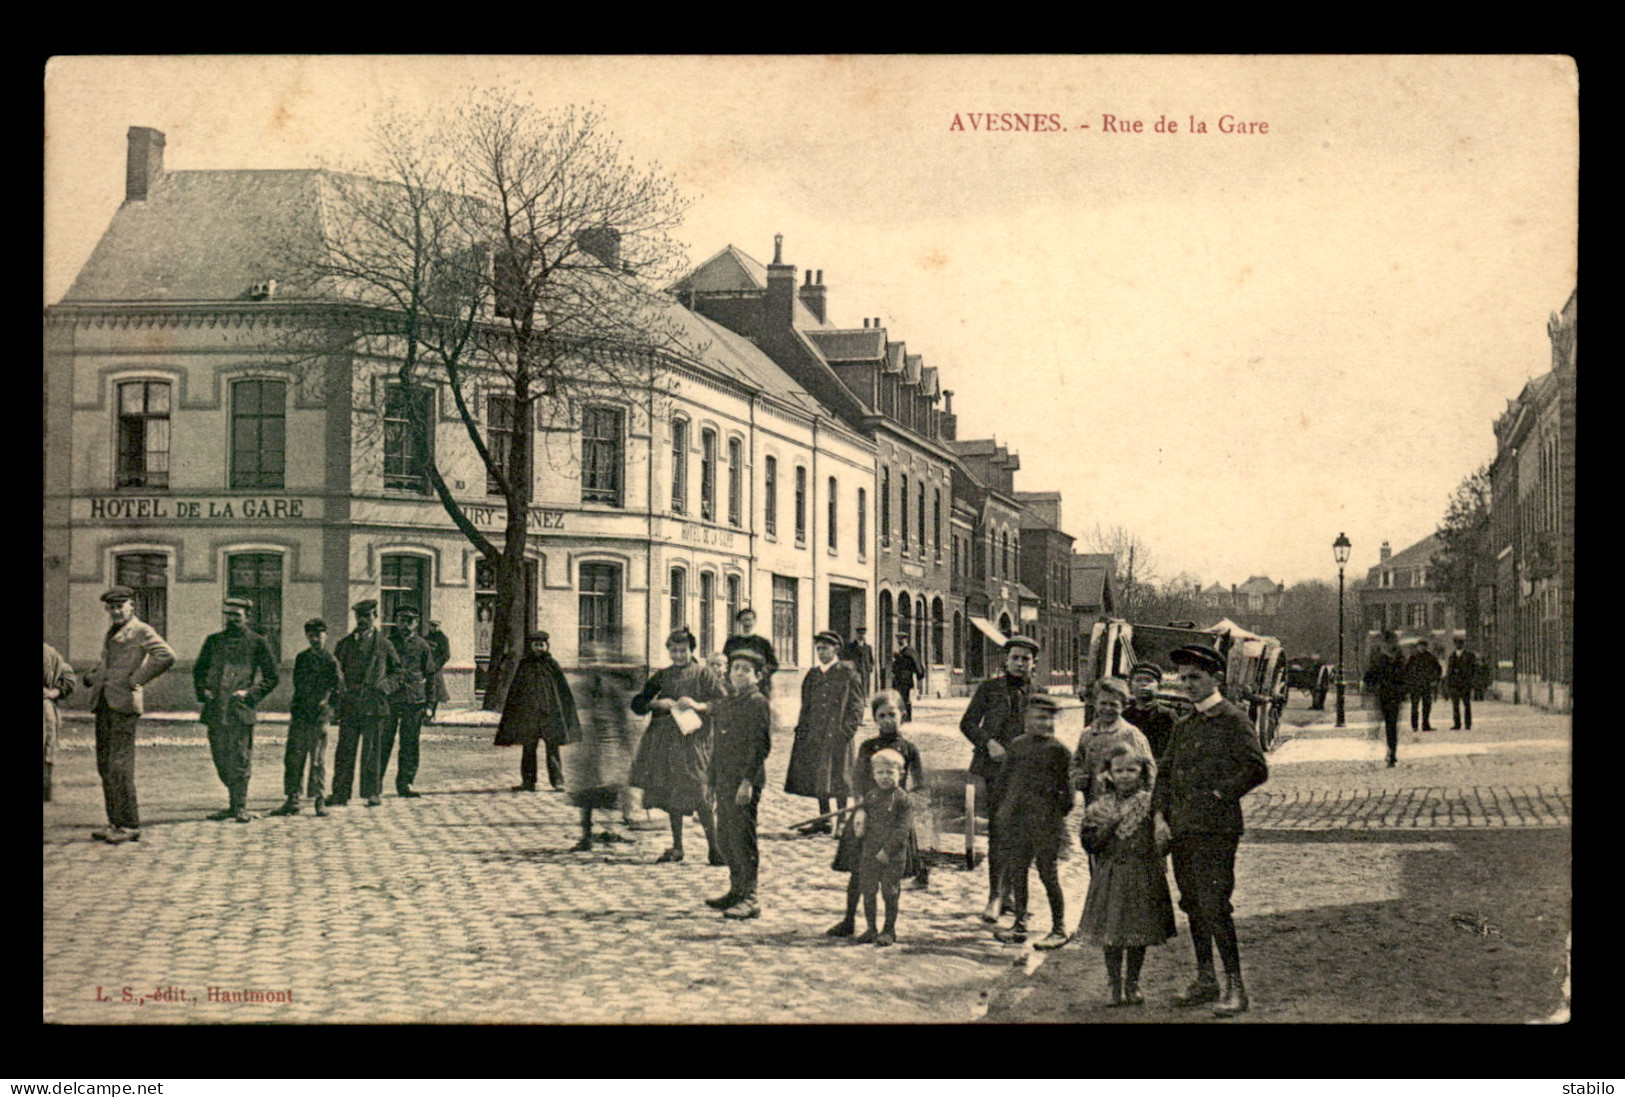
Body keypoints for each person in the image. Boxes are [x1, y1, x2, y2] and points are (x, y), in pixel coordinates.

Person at [1155, 643, 1268, 1017]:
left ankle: (1237, 986)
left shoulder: (1232, 719)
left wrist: (1219, 794)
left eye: (1195, 677)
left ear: (1214, 679)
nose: (1187, 684)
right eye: (1183, 677)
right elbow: (1165, 774)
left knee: (1215, 906)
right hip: (1183, 830)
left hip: (1216, 831)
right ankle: (1206, 979)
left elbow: (1256, 767)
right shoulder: (1184, 725)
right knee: (1192, 906)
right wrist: (1160, 817)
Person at [1077, 742, 1176, 1006]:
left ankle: (1133, 982)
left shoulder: (1149, 804)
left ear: (1141, 773)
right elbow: (1088, 844)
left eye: (1131, 770)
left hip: (1142, 873)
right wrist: (1106, 829)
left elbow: (1161, 842)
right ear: (1108, 773)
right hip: (1111, 874)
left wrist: (1160, 835)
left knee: (1136, 931)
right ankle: (1114, 983)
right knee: (1112, 933)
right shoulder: (1100, 806)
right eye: (1118, 770)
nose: (1124, 776)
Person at [960, 635, 1044, 923]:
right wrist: (988, 743)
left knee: (1022, 834)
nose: (1020, 663)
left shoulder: (1039, 693)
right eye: (1015, 658)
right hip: (995, 771)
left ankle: (1012, 896)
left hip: (1027, 773)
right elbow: (967, 723)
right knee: (999, 832)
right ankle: (994, 897)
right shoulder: (989, 689)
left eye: (1026, 659)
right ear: (1005, 661)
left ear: (1034, 664)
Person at [829, 689, 926, 936]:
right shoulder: (867, 746)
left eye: (892, 714)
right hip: (867, 817)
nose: (886, 720)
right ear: (874, 718)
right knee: (858, 873)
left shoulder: (909, 749)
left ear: (902, 715)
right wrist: (860, 808)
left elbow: (920, 785)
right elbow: (858, 780)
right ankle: (849, 920)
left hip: (894, 819)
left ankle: (887, 928)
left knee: (890, 879)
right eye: (881, 715)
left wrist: (907, 805)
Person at [629, 627, 728, 865]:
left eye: (682, 650)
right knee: (673, 791)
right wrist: (656, 704)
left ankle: (715, 849)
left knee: (699, 792)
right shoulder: (662, 676)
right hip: (667, 742)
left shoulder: (704, 674)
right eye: (673, 650)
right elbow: (638, 704)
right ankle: (677, 847)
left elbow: (724, 702)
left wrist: (698, 705)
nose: (678, 655)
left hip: (696, 741)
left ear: (691, 650)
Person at [85, 586, 175, 843]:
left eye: (119, 606)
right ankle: (114, 822)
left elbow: (166, 656)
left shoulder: (141, 630)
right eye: (111, 607)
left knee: (120, 765)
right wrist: (94, 677)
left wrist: (136, 679)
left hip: (124, 705)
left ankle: (130, 823)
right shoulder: (113, 631)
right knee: (105, 765)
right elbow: (110, 662)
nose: (115, 611)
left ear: (131, 606)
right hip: (104, 703)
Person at [988, 693, 1073, 950]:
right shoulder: (1016, 746)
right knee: (1018, 872)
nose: (1044, 723)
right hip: (1017, 822)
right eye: (1038, 717)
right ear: (1026, 719)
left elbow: (1068, 796)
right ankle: (1019, 925)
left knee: (1049, 875)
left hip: (1046, 824)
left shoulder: (1059, 751)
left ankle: (1059, 928)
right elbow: (1004, 782)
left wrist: (1053, 817)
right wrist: (1004, 810)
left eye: (1049, 718)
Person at [194, 597, 280, 823]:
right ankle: (234, 803)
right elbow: (199, 670)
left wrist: (250, 695)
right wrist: (204, 691)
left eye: (237, 616)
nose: (232, 620)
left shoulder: (257, 642)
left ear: (247, 617)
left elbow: (272, 677)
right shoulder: (213, 641)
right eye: (228, 615)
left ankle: (239, 807)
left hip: (240, 711)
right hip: (215, 710)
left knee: (240, 758)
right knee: (221, 759)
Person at [706, 649, 774, 920]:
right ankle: (736, 889)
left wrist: (747, 782)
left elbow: (760, 746)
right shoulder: (727, 702)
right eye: (736, 668)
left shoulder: (757, 702)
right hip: (724, 777)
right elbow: (718, 744)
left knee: (742, 837)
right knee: (724, 836)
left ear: (757, 676)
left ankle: (750, 897)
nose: (739, 673)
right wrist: (711, 780)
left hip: (745, 780)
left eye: (746, 670)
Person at [829, 748, 914, 946]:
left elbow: (903, 831)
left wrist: (887, 851)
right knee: (868, 890)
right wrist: (859, 823)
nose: (885, 777)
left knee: (889, 892)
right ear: (874, 775)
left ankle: (889, 930)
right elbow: (863, 821)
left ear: (900, 774)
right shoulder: (871, 797)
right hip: (870, 852)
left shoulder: (903, 800)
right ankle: (871, 929)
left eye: (890, 772)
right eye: (880, 773)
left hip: (892, 855)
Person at [784, 629, 865, 833]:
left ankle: (841, 821)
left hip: (838, 735)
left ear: (835, 649)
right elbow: (806, 706)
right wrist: (802, 731)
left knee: (840, 779)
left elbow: (857, 706)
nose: (821, 652)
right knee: (819, 779)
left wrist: (847, 731)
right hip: (816, 735)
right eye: (818, 648)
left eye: (825, 648)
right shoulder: (812, 675)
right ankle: (824, 819)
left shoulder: (847, 673)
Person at [566, 640, 641, 853]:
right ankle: (586, 836)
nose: (593, 664)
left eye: (597, 659)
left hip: (608, 745)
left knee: (611, 789)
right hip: (587, 746)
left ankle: (615, 828)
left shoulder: (612, 688)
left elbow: (622, 720)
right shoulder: (580, 686)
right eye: (588, 659)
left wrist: (627, 746)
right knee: (584, 794)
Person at [330, 599, 403, 808]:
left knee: (372, 752)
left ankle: (372, 793)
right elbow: (334, 673)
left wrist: (384, 687)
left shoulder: (384, 644)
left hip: (374, 705)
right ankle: (340, 793)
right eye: (360, 616)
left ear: (375, 618)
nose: (363, 620)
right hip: (350, 705)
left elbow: (398, 673)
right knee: (345, 750)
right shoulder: (344, 644)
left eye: (368, 616)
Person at [270, 618, 343, 817]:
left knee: (318, 761)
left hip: (319, 717)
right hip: (301, 715)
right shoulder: (302, 658)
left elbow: (338, 688)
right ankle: (292, 799)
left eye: (318, 636)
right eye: (311, 636)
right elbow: (298, 685)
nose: (315, 640)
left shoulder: (331, 660)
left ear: (325, 636)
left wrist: (327, 706)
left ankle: (320, 800)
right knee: (293, 758)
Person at [496, 631, 580, 793]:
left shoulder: (552, 664)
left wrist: (562, 712)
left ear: (546, 646)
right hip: (530, 716)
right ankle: (528, 782)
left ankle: (558, 782)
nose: (539, 648)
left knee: (553, 749)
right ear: (531, 646)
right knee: (528, 749)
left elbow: (562, 690)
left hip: (550, 715)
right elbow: (516, 690)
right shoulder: (524, 664)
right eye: (536, 645)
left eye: (541, 645)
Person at [379, 605, 439, 798]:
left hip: (414, 701)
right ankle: (374, 784)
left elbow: (431, 676)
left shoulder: (423, 646)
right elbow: (379, 672)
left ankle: (405, 783)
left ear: (416, 623)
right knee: (383, 741)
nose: (405, 625)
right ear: (396, 621)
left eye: (410, 621)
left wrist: (430, 706)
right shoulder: (387, 643)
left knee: (410, 744)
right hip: (390, 699)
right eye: (402, 620)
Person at [1071, 677, 1155, 811]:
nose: (1107, 709)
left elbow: (1150, 773)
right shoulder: (1087, 735)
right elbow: (1076, 763)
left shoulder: (1131, 735)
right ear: (1095, 703)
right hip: (1094, 805)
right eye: (1103, 703)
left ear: (1123, 706)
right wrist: (1078, 776)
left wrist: (1143, 804)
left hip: (1125, 810)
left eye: (1113, 704)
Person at [1364, 631, 1408, 767]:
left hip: (1394, 696)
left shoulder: (1400, 659)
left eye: (1392, 642)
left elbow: (1406, 677)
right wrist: (1373, 687)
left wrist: (1403, 690)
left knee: (1392, 725)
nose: (1390, 645)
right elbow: (1369, 677)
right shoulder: (1379, 659)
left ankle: (1391, 751)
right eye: (1388, 642)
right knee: (1386, 724)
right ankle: (1386, 749)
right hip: (1383, 696)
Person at [44, 643, 77, 803]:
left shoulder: (49, 653)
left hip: (44, 711)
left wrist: (53, 692)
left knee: (46, 751)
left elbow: (69, 679)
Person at [1124, 662, 1177, 761]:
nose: (1144, 684)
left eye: (1149, 680)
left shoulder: (1167, 715)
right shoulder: (1125, 716)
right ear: (1130, 686)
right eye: (1138, 680)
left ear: (1159, 687)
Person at [723, 608, 778, 697]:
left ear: (755, 621)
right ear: (740, 622)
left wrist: (761, 673)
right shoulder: (732, 642)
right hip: (736, 685)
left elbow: (773, 664)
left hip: (759, 687)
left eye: (749, 619)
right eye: (744, 620)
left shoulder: (763, 642)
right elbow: (725, 662)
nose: (747, 623)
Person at [1406, 641, 1443, 732]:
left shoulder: (1430, 657)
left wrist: (1435, 679)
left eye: (1424, 646)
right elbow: (1407, 671)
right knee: (1415, 706)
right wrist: (1409, 683)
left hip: (1427, 685)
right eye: (1420, 646)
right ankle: (1414, 726)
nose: (1422, 648)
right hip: (1415, 686)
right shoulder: (1413, 658)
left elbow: (1438, 669)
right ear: (1417, 647)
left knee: (1426, 706)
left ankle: (1425, 724)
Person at [889, 637, 925, 723]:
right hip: (897, 679)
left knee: (905, 699)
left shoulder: (909, 651)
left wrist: (898, 657)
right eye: (899, 641)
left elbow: (910, 664)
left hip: (906, 679)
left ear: (906, 641)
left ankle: (908, 717)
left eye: (902, 640)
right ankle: (901, 716)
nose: (900, 642)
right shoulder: (900, 652)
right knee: (898, 698)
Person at [423, 619, 451, 723]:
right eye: (432, 626)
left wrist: (435, 666)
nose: (434, 628)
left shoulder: (443, 639)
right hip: (425, 669)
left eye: (436, 626)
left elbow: (446, 655)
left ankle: (432, 714)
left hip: (436, 670)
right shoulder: (426, 638)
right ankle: (426, 713)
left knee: (435, 691)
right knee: (426, 690)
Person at [1446, 636, 1477, 730]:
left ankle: (1468, 724)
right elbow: (1449, 671)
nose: (1458, 645)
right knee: (1455, 705)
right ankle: (1457, 723)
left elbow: (1473, 669)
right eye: (1457, 643)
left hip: (1465, 684)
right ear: (1454, 645)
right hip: (1455, 685)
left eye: (1460, 643)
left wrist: (1471, 681)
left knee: (1466, 705)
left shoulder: (1469, 656)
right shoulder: (1452, 656)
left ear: (1463, 644)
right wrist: (1449, 684)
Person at [843, 626, 877, 703]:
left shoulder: (868, 647)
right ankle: (856, 701)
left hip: (865, 671)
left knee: (865, 686)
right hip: (856, 670)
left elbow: (871, 659)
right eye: (860, 634)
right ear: (856, 634)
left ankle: (864, 700)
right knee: (856, 686)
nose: (862, 635)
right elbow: (847, 657)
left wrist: (870, 667)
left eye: (863, 634)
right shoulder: (851, 646)